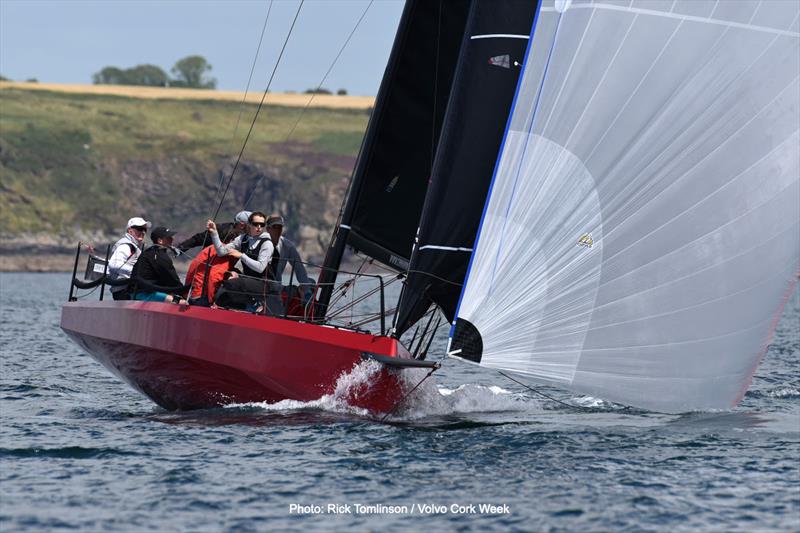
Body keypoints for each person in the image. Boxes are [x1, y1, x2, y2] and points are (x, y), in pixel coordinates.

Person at [208, 212, 276, 311]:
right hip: (249, 281)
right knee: (221, 296)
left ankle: (254, 304)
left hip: (265, 284)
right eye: (255, 224)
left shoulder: (267, 243)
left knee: (233, 284)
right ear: (249, 224)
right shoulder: (243, 239)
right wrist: (214, 233)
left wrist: (241, 255)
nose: (259, 227)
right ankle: (242, 308)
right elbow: (221, 252)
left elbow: (260, 268)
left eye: (262, 225)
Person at [264, 214, 315, 300]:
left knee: (311, 283)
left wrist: (307, 291)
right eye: (275, 227)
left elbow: (299, 269)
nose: (278, 230)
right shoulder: (259, 242)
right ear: (268, 229)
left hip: (277, 288)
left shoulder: (288, 246)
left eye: (280, 227)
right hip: (259, 285)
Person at [131, 226, 187, 303]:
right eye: (168, 237)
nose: (172, 239)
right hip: (144, 294)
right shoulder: (159, 255)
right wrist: (184, 293)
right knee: (183, 303)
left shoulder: (150, 252)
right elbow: (171, 278)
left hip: (140, 291)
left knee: (175, 295)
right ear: (160, 241)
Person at [184, 233, 238, 307]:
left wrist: (186, 294)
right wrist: (212, 301)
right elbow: (214, 277)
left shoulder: (211, 247)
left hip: (193, 294)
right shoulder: (226, 253)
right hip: (202, 297)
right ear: (232, 241)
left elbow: (192, 268)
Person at [108, 216, 150, 300]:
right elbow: (114, 264)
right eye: (139, 228)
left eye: (144, 229)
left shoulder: (133, 246)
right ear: (130, 231)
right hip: (124, 291)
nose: (142, 232)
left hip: (129, 289)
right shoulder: (126, 245)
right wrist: (137, 272)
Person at [177, 210, 251, 253]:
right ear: (242, 225)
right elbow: (197, 239)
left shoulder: (249, 237)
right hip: (209, 265)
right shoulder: (221, 230)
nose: (255, 227)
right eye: (252, 224)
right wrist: (180, 248)